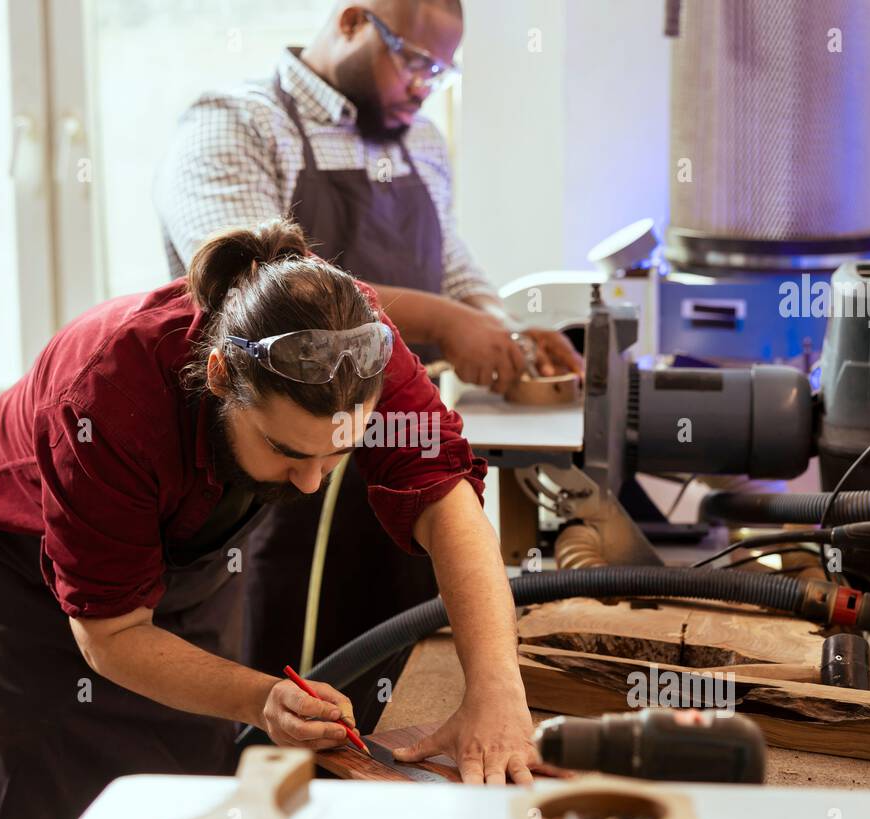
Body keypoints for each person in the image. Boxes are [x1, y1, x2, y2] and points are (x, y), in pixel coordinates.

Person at [0, 220, 538, 819]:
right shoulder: (107, 396)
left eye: (336, 456)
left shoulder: (355, 349)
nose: (308, 484)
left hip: (180, 559)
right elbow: (109, 634)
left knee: (190, 816)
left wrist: (496, 687)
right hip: (20, 576)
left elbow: (446, 498)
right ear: (220, 376)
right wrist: (260, 696)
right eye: (286, 451)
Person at [155, 0, 581, 728]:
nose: (424, 85)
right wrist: (449, 323)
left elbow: (449, 262)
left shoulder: (419, 138)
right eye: (413, 62)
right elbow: (258, 287)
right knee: (280, 692)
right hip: (269, 458)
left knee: (397, 683)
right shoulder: (237, 122)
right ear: (353, 21)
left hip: (386, 442)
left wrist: (500, 328)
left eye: (439, 71)